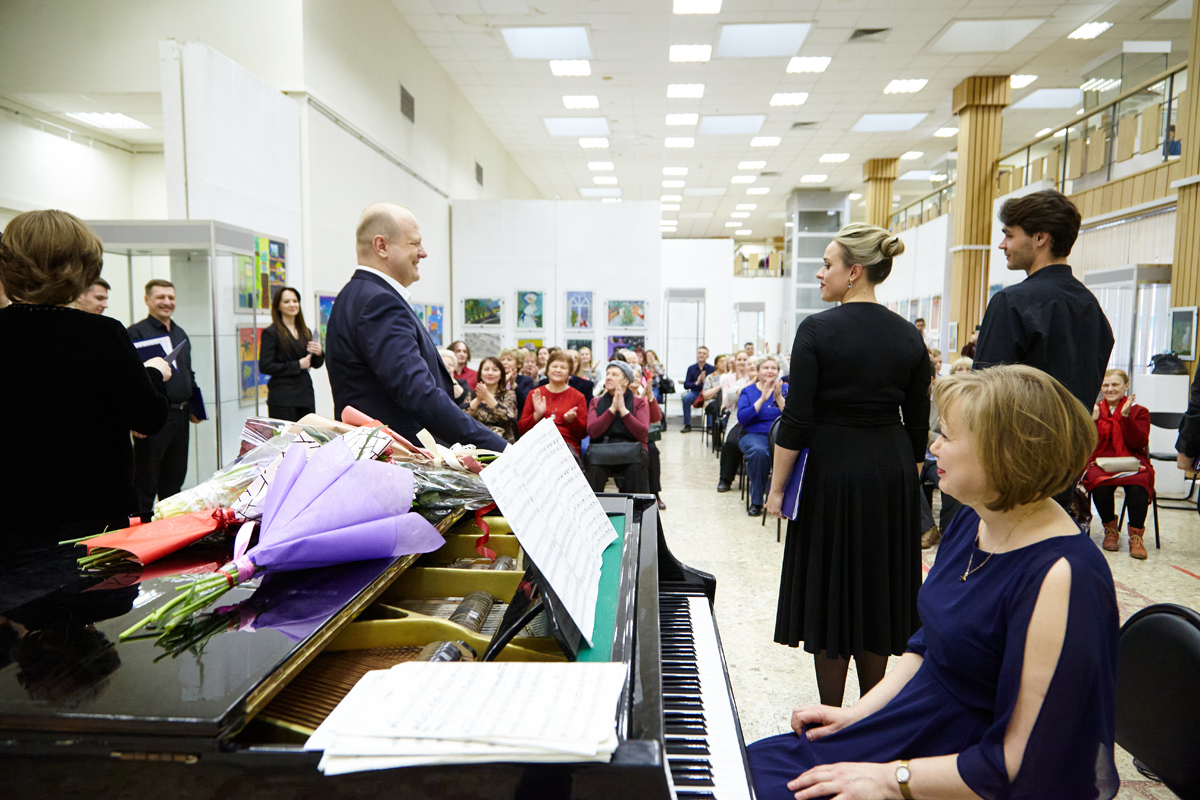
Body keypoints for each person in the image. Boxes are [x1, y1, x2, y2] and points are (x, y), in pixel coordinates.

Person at [749, 365, 1119, 800]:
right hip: (914, 721)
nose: (934, 446)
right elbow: (928, 644)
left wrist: (890, 780)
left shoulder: (1062, 576)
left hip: (964, 764)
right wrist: (858, 713)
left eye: (947, 435)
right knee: (749, 767)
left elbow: (1019, 763)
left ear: (1005, 453)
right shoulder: (972, 519)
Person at [765, 223, 930, 707]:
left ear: (854, 272)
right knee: (876, 588)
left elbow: (797, 420)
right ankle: (872, 713)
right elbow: (917, 424)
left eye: (828, 264)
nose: (820, 274)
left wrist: (776, 491)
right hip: (892, 466)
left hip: (833, 469)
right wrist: (906, 478)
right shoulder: (908, 335)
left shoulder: (816, 330)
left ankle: (832, 714)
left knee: (833, 589)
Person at [0, 210, 171, 543]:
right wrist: (151, 374)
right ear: (82, 267)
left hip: (12, 517)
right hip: (94, 515)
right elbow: (147, 417)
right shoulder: (102, 334)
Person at [326, 202, 506, 451]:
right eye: (415, 243)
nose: (423, 253)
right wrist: (501, 449)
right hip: (398, 463)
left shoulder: (355, 295)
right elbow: (420, 395)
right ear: (382, 246)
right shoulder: (379, 303)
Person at [974, 190, 1114, 413]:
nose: (1002, 245)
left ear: (1040, 238)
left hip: (1018, 442)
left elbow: (983, 391)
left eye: (1009, 236)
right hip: (1075, 442)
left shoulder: (1011, 301)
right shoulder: (1090, 305)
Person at [127, 279, 203, 514]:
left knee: (174, 481)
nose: (166, 302)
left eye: (170, 297)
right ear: (147, 300)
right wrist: (134, 418)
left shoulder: (180, 333)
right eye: (160, 297)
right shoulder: (135, 333)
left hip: (180, 418)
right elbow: (130, 380)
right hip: (154, 419)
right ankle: (141, 537)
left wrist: (196, 408)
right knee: (145, 483)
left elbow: (188, 373)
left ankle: (170, 537)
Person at [1082, 369, 1154, 559]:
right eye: (1106, 385)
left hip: (1132, 460)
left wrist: (1126, 417)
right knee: (1097, 480)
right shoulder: (1093, 409)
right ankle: (1110, 530)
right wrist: (1092, 422)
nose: (1110, 389)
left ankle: (1136, 537)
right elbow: (1086, 445)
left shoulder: (1140, 411)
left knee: (1139, 481)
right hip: (1101, 460)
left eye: (1115, 385)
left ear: (1126, 386)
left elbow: (1138, 443)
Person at [258, 286, 324, 421]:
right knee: (286, 440)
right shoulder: (271, 333)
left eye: (295, 301)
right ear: (278, 306)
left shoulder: (305, 331)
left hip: (305, 395)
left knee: (307, 439)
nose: (292, 305)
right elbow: (265, 366)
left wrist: (319, 353)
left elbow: (314, 364)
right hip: (283, 398)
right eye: (287, 302)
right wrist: (297, 365)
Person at [586, 361, 651, 493]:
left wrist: (623, 411)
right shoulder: (596, 402)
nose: (609, 377)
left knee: (636, 469)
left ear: (626, 381)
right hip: (602, 452)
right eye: (608, 374)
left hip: (632, 451)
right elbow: (592, 432)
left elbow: (642, 433)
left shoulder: (638, 403)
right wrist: (611, 410)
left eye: (615, 375)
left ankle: (637, 511)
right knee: (593, 469)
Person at [739, 355, 788, 516]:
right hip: (754, 434)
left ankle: (787, 500)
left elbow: (792, 418)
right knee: (759, 453)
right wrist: (762, 399)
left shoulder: (786, 389)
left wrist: (779, 398)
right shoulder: (748, 391)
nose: (770, 371)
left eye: (773, 368)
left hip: (780, 435)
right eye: (766, 368)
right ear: (758, 371)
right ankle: (757, 501)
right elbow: (743, 418)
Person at [518, 350, 588, 457]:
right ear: (548, 370)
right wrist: (537, 415)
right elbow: (522, 429)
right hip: (538, 447)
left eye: (563, 367)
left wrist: (572, 421)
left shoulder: (578, 397)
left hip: (566, 449)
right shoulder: (535, 394)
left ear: (569, 372)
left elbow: (583, 434)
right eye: (554, 366)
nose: (558, 370)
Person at [718, 355, 756, 492]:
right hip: (740, 422)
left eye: (755, 364)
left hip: (761, 423)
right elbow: (730, 398)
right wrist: (752, 382)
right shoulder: (741, 382)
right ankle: (725, 479)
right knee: (732, 443)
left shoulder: (769, 383)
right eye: (749, 364)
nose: (752, 366)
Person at [467, 356, 518, 444]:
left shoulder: (508, 394)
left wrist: (487, 396)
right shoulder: (472, 395)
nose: (490, 373)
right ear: (480, 374)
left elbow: (509, 417)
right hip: (476, 443)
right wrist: (478, 400)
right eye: (486, 369)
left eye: (495, 370)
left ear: (501, 374)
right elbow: (462, 416)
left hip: (503, 444)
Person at [680, 346, 715, 432]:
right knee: (686, 398)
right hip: (695, 392)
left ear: (707, 356)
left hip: (707, 393)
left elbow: (714, 384)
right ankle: (687, 425)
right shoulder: (691, 368)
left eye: (704, 353)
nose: (701, 355)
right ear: (697, 355)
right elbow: (686, 385)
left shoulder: (712, 368)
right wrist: (697, 382)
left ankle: (710, 426)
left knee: (710, 401)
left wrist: (705, 382)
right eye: (700, 353)